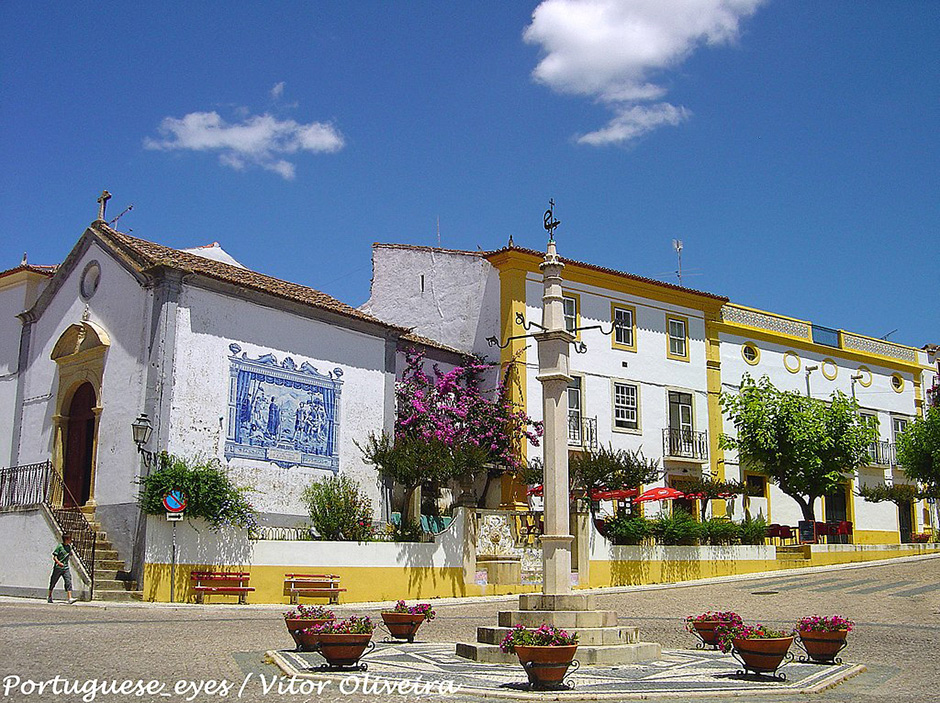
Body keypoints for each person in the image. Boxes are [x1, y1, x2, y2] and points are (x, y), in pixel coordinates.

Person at [48, 533, 77, 604]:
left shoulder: (69, 547)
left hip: (65, 568)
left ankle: (69, 598)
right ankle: (49, 596)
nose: (70, 540)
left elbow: (70, 554)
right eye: (69, 539)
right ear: (66, 539)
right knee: (53, 581)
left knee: (68, 581)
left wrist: (71, 553)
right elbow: (54, 557)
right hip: (58, 568)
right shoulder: (59, 547)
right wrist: (59, 563)